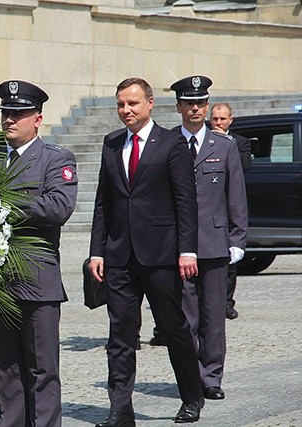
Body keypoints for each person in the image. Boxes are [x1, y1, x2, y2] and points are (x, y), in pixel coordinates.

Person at [88, 77, 203, 426]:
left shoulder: (171, 144)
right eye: (121, 104)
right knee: (120, 334)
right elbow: (103, 203)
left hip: (162, 255)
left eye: (133, 103)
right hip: (120, 256)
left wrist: (188, 251)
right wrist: (97, 252)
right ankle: (120, 409)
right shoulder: (111, 144)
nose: (126, 110)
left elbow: (186, 201)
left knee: (173, 328)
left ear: (150, 103)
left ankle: (192, 396)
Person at [0, 80, 78, 427]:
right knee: (5, 371)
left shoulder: (55, 159)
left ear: (37, 119)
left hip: (37, 281)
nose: (10, 119)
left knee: (42, 370)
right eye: (6, 113)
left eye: (19, 114)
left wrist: (2, 205)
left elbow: (58, 206)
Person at [171, 76, 248, 401]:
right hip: (178, 247)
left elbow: (236, 196)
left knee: (213, 317)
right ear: (179, 107)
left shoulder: (224, 145)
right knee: (184, 318)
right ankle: (190, 379)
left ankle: (211, 377)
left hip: (215, 243)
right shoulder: (168, 143)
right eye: (189, 103)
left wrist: (238, 239)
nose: (195, 109)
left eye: (200, 103)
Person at [209, 102, 252, 320]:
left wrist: (227, 141)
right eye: (215, 119)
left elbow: (244, 165)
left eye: (222, 119)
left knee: (230, 259)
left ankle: (226, 301)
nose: (218, 123)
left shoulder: (239, 142)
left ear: (230, 120)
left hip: (228, 207)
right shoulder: (204, 141)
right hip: (210, 208)